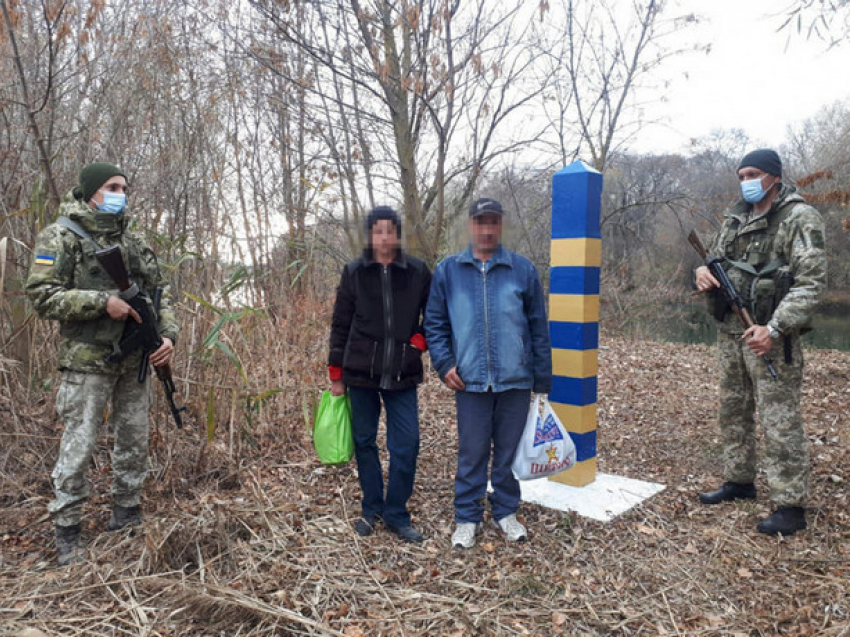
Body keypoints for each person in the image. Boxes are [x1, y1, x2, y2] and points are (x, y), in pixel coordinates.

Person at [26, 162, 178, 565]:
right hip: (87, 361)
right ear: (91, 190)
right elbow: (42, 295)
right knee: (79, 445)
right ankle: (68, 532)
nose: (120, 193)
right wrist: (100, 303)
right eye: (112, 186)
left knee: (134, 439)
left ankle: (126, 514)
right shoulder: (60, 236)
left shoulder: (135, 239)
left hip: (135, 361)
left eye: (124, 187)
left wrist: (168, 337)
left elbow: (159, 294)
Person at [694, 149, 827, 536]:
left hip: (772, 337)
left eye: (753, 173)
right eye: (741, 175)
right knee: (733, 410)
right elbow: (713, 258)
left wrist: (775, 328)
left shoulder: (800, 218)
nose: (746, 181)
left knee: (779, 419)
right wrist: (701, 271)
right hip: (731, 332)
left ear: (773, 176)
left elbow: (810, 282)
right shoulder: (735, 217)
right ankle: (739, 482)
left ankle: (790, 504)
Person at [425, 197, 552, 549]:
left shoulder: (522, 269)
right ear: (470, 226)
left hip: (515, 379)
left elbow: (538, 326)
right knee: (472, 452)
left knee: (508, 452)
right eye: (480, 222)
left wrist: (542, 380)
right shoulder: (448, 271)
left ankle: (505, 512)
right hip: (469, 381)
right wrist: (444, 364)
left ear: (500, 226)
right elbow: (434, 324)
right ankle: (467, 517)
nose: (486, 229)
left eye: (493, 222)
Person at [328, 206, 431, 543]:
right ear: (370, 235)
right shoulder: (355, 271)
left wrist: (417, 344)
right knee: (364, 441)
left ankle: (397, 513)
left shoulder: (416, 271)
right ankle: (371, 509)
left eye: (390, 231)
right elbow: (341, 323)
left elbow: (434, 315)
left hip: (402, 372)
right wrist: (336, 372)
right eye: (378, 231)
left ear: (397, 234)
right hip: (360, 373)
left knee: (408, 443)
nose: (384, 238)